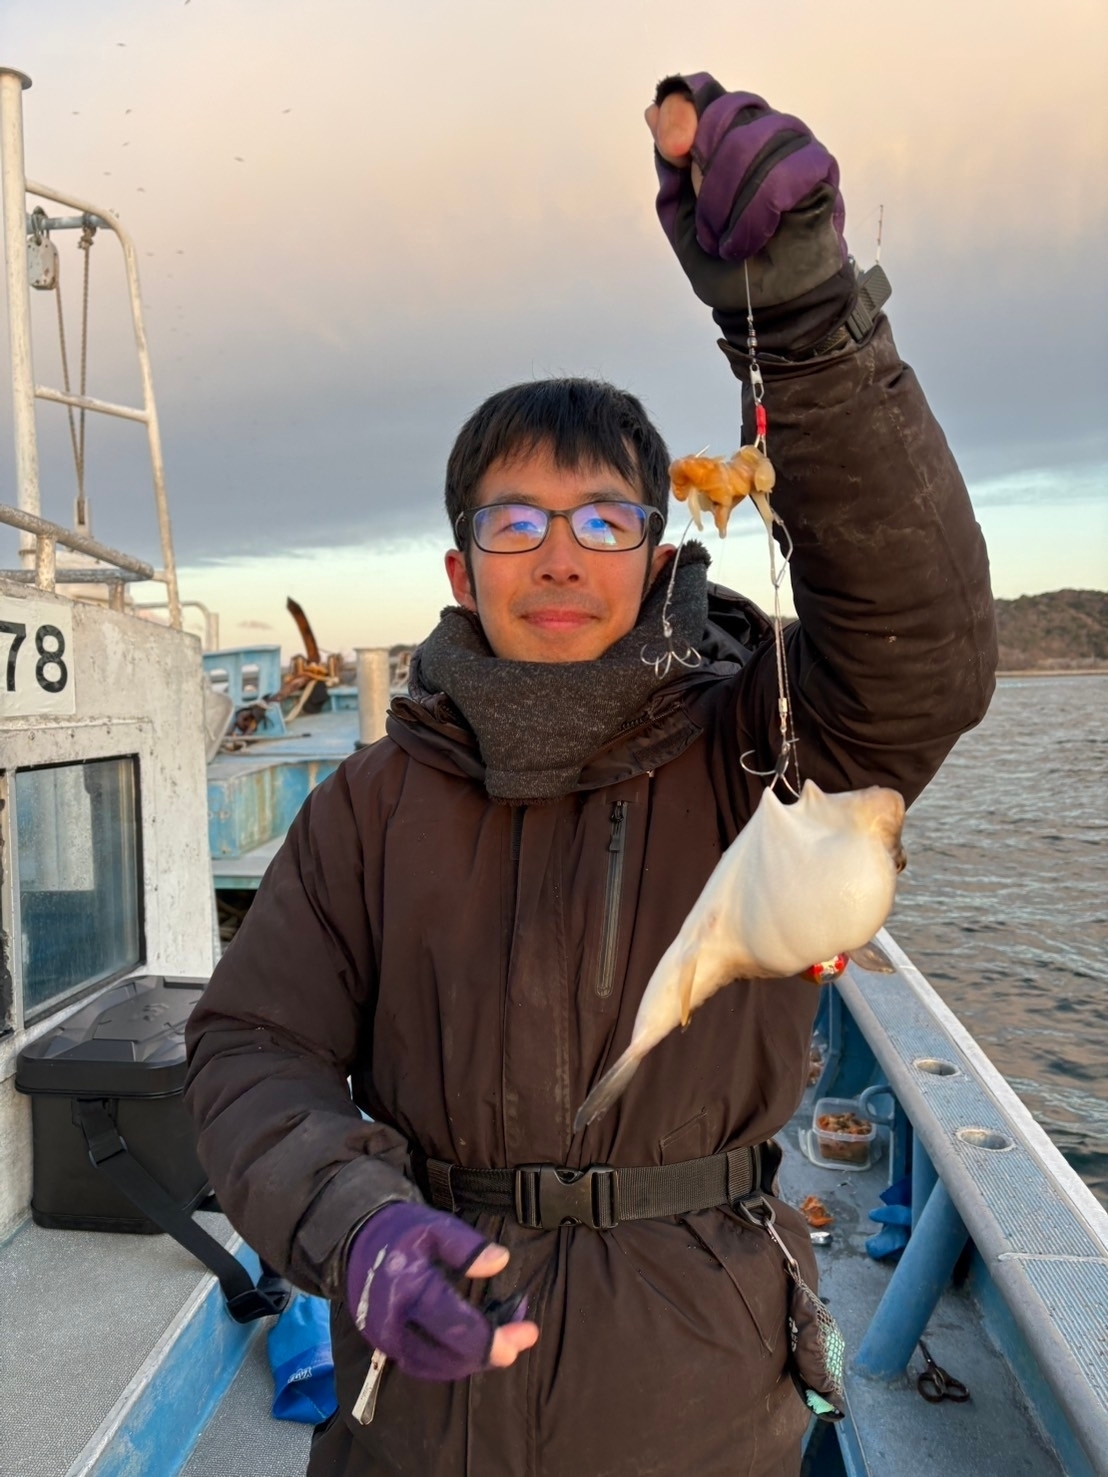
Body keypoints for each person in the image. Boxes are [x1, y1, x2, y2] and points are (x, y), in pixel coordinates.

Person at [185, 73, 996, 1477]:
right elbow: (252, 1048)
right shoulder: (366, 808)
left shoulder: (764, 745)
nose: (559, 555)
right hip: (416, 1409)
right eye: (516, 521)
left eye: (603, 519)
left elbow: (922, 649)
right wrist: (356, 1226)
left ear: (658, 553)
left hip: (698, 1397)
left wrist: (810, 323)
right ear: (461, 569)